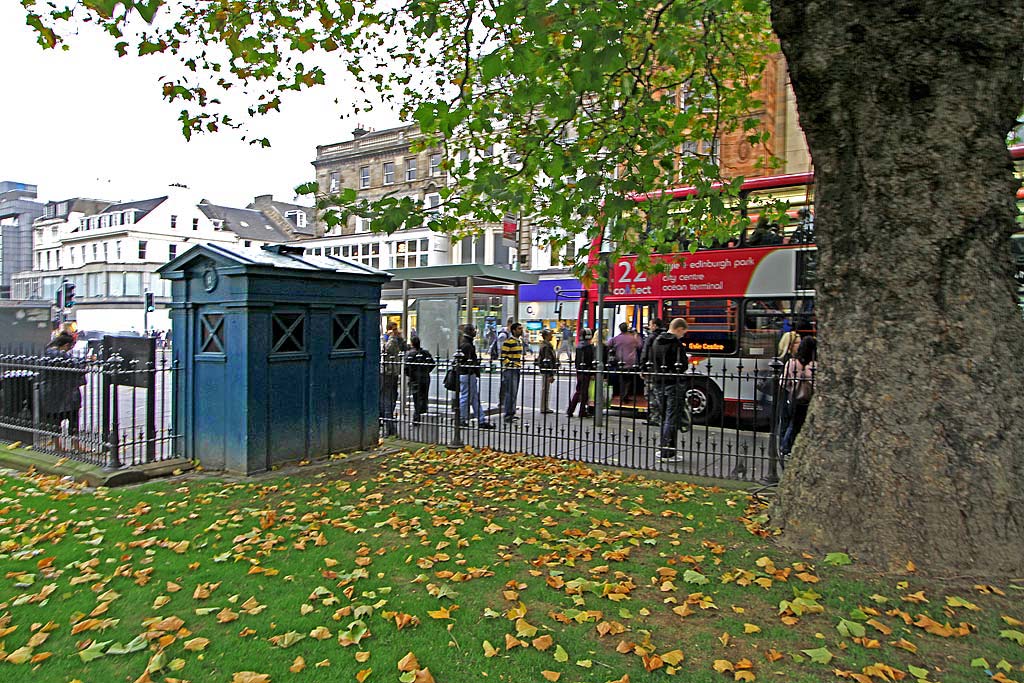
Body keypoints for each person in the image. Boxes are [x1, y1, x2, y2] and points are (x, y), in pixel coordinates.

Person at [648, 318, 690, 459]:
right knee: (671, 417)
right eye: (683, 333)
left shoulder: (656, 341)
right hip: (673, 383)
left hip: (659, 382)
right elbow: (683, 365)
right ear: (679, 329)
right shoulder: (676, 343)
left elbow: (652, 361)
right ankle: (668, 451)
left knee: (664, 416)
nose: (682, 335)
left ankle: (665, 449)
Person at [42, 331, 86, 451]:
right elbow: (79, 367)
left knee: (55, 421)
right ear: (66, 345)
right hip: (68, 392)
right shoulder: (62, 355)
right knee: (73, 420)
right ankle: (76, 446)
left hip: (52, 393)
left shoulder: (46, 353)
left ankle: (58, 446)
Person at [780, 336, 817, 456]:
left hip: (794, 398)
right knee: (801, 424)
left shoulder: (792, 363)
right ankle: (789, 447)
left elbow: (784, 382)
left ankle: (785, 447)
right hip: (808, 399)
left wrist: (793, 388)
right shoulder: (813, 365)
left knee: (791, 424)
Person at [457, 325, 495, 429]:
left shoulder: (465, 343)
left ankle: (480, 419)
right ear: (469, 331)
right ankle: (462, 418)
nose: (475, 332)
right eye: (474, 330)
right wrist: (475, 364)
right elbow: (467, 361)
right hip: (467, 374)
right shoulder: (467, 345)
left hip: (468, 373)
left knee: (474, 397)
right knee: (466, 397)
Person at [639, 318, 667, 425]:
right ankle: (663, 417)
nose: (649, 327)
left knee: (650, 394)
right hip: (662, 370)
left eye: (650, 325)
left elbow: (644, 353)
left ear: (655, 326)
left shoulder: (651, 337)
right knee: (661, 393)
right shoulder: (666, 336)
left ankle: (655, 418)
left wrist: (642, 368)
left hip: (651, 370)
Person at [608, 322, 643, 402]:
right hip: (631, 362)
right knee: (629, 380)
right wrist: (636, 335)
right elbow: (640, 345)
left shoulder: (616, 338)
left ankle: (622, 395)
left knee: (622, 380)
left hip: (620, 362)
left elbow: (609, 344)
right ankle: (625, 395)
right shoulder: (632, 338)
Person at [379, 326, 405, 436]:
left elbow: (387, 349)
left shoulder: (393, 341)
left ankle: (387, 424)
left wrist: (390, 337)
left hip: (389, 372)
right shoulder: (394, 341)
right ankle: (388, 425)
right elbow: (388, 349)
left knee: (387, 399)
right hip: (390, 372)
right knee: (389, 399)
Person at [405, 336, 435, 425]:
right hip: (425, 378)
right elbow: (432, 364)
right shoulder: (425, 353)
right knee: (424, 397)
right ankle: (422, 415)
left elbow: (406, 368)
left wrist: (412, 375)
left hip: (415, 379)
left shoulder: (410, 354)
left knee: (417, 399)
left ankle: (417, 417)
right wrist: (426, 371)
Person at [566, 329, 596, 418]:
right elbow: (590, 360)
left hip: (579, 371)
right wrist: (592, 372)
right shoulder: (589, 347)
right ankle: (582, 411)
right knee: (584, 392)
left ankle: (570, 410)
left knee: (578, 391)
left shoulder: (579, 345)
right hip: (586, 371)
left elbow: (576, 360)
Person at [499, 322, 525, 423]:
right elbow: (503, 356)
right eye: (519, 329)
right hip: (510, 370)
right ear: (514, 330)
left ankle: (512, 412)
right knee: (510, 392)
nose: (521, 330)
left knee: (514, 392)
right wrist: (510, 364)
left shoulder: (519, 341)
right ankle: (508, 414)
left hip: (517, 369)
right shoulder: (508, 342)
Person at [535, 328, 558, 414]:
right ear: (546, 336)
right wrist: (550, 374)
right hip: (546, 370)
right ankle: (544, 407)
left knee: (546, 389)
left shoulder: (546, 345)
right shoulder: (546, 346)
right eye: (550, 335)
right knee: (545, 389)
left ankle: (545, 406)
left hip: (546, 370)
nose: (552, 336)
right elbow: (547, 360)